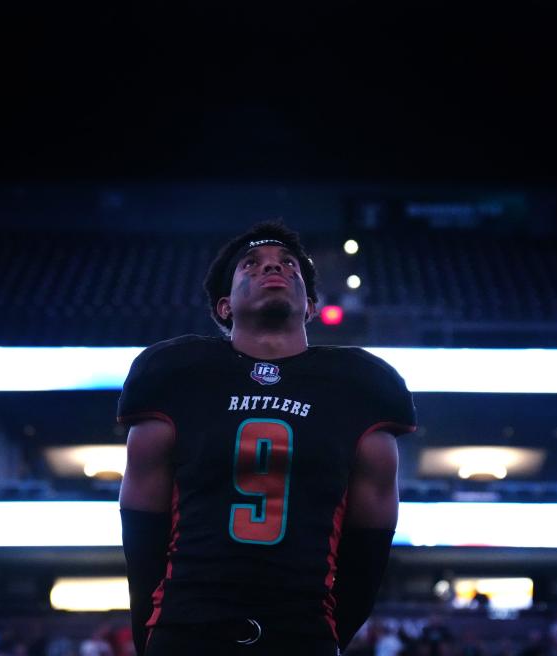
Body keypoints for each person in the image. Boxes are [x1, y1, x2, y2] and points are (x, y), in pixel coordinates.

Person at [118, 222, 416, 656]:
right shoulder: (176, 375)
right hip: (188, 627)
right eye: (251, 264)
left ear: (311, 306)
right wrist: (158, 632)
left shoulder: (361, 387)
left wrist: (323, 633)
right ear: (224, 306)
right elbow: (142, 529)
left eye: (288, 264)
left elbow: (369, 548)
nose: (273, 266)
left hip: (301, 628)